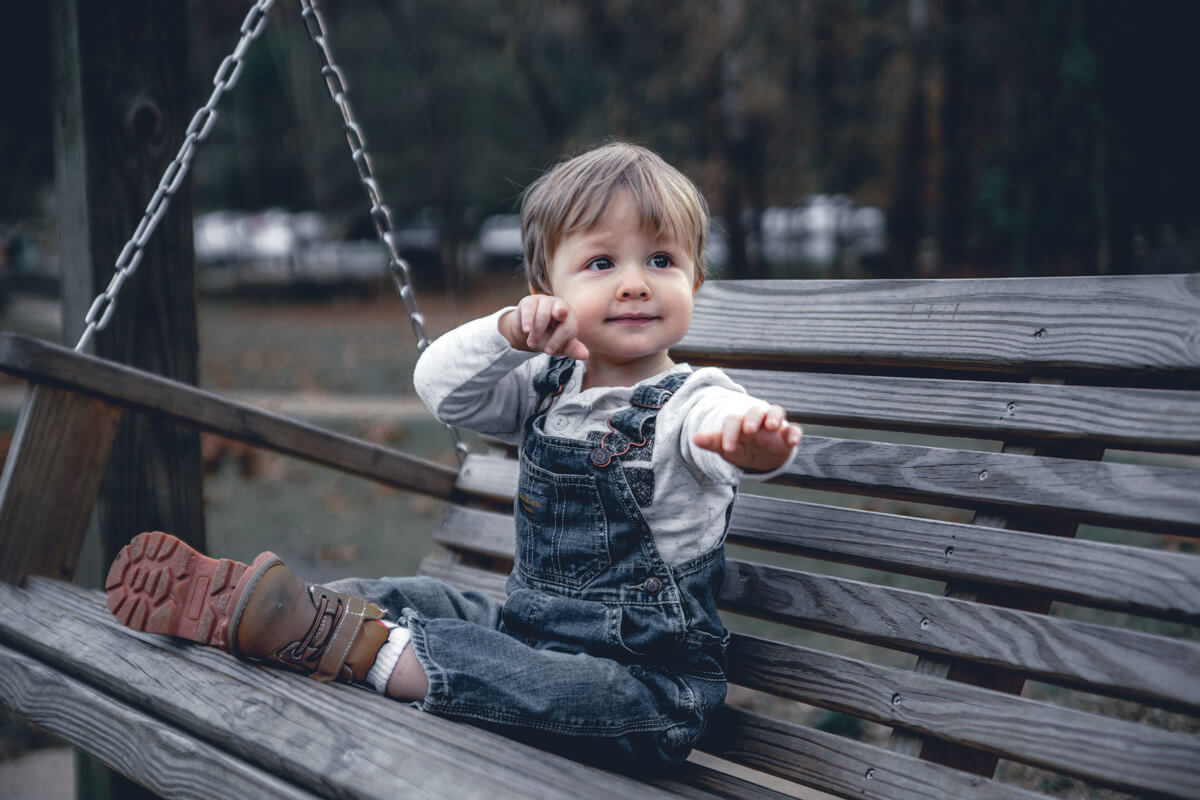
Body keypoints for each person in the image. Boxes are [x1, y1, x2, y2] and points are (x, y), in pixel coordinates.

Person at [105, 141, 801, 771]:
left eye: (661, 261)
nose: (634, 282)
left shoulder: (693, 401)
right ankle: (293, 615)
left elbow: (722, 424)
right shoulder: (546, 384)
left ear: (696, 281)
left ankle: (350, 645)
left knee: (524, 677)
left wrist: (747, 439)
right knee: (422, 599)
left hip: (643, 695)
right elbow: (440, 389)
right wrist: (505, 333)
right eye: (600, 262)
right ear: (547, 291)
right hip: (525, 633)